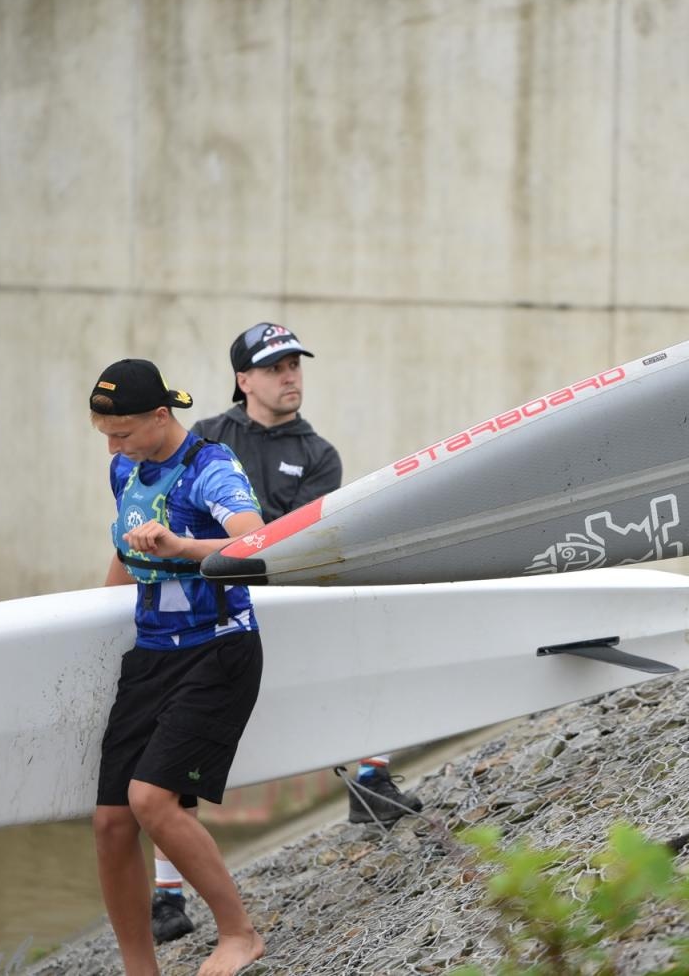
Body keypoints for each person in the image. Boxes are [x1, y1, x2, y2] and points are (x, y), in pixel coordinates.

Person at [145, 323, 422, 945]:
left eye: (295, 365)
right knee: (172, 743)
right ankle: (166, 896)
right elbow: (174, 515)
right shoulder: (207, 438)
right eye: (275, 368)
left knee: (378, 626)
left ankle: (373, 777)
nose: (291, 376)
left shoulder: (319, 453)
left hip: (285, 594)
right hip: (204, 605)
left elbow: (299, 539)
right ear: (244, 380)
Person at [88, 358, 266, 975]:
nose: (114, 447)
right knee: (111, 820)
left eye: (123, 433)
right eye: (106, 435)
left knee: (151, 799)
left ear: (162, 416)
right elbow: (123, 553)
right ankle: (142, 970)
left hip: (218, 648)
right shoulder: (123, 469)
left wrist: (182, 547)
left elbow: (255, 543)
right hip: (152, 654)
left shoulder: (210, 468)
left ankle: (239, 934)